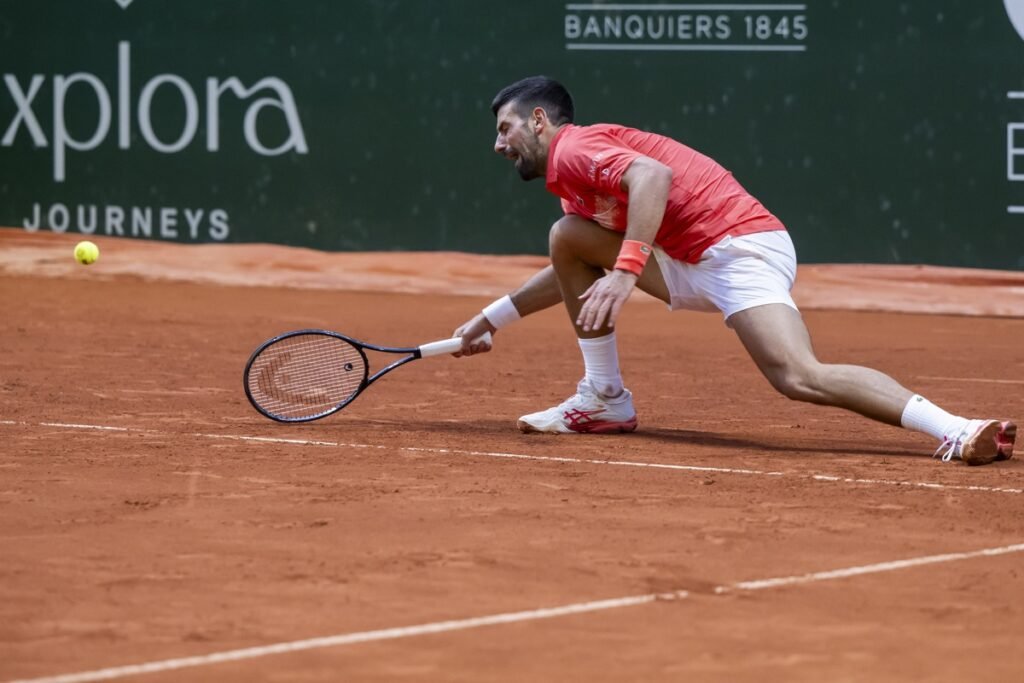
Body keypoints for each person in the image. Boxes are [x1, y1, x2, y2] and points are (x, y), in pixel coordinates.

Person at [453, 75, 1016, 466]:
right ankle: (603, 398)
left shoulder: (577, 148)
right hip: (687, 259)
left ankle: (957, 429)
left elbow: (652, 177)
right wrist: (493, 317)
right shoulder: (572, 188)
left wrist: (627, 270)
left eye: (505, 128)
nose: (497, 144)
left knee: (797, 376)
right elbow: (569, 262)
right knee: (569, 238)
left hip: (739, 247)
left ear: (540, 120)